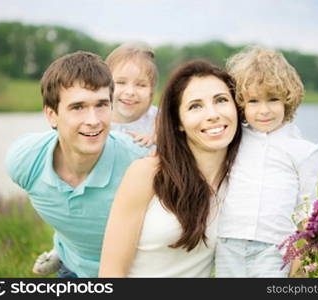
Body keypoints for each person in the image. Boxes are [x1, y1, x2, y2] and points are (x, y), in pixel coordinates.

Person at [5, 51, 149, 278]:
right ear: (52, 115)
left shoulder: (141, 161)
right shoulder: (24, 161)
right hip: (71, 269)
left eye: (102, 104)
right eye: (78, 107)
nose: (93, 120)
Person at [98, 60, 243, 277]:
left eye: (221, 100)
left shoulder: (242, 180)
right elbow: (111, 272)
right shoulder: (147, 173)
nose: (212, 114)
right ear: (178, 122)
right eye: (195, 106)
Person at [216, 47, 318, 277]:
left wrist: (302, 258)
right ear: (241, 103)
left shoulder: (303, 150)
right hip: (228, 243)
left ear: (288, 99)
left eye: (273, 99)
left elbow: (308, 208)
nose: (264, 110)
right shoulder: (234, 137)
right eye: (253, 101)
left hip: (275, 248)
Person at [106, 42, 158, 146]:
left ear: (151, 91)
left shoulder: (158, 119)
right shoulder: (96, 118)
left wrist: (158, 138)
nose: (130, 92)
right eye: (121, 82)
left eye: (141, 85)